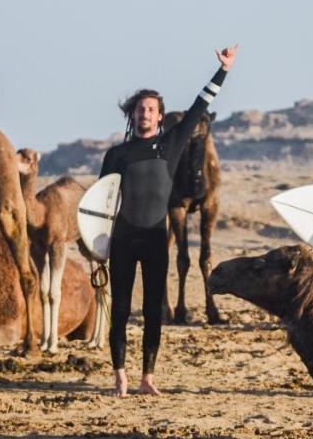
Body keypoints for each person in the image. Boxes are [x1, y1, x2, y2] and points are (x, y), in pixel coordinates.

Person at [100, 45, 238, 396]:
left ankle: (147, 376)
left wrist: (222, 70)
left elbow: (199, 107)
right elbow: (102, 203)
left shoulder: (171, 144)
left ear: (160, 116)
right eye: (139, 109)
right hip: (123, 238)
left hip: (153, 239)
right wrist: (96, 246)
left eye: (151, 109)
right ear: (131, 115)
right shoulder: (116, 155)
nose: (145, 114)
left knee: (151, 309)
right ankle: (120, 375)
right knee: (120, 309)